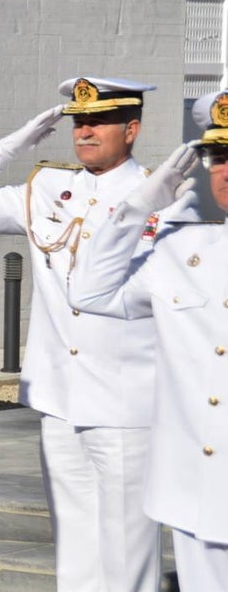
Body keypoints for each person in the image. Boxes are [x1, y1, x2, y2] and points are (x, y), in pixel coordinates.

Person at [0, 76, 198, 592]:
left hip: (127, 402)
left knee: (128, 554)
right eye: (78, 122)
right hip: (59, 397)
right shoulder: (49, 188)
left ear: (132, 129)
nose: (85, 130)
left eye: (98, 121)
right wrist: (9, 146)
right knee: (74, 552)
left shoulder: (161, 196)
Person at [67, 90, 228, 590]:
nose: (225, 171)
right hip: (197, 492)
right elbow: (90, 292)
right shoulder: (183, 246)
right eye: (218, 158)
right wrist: (137, 207)